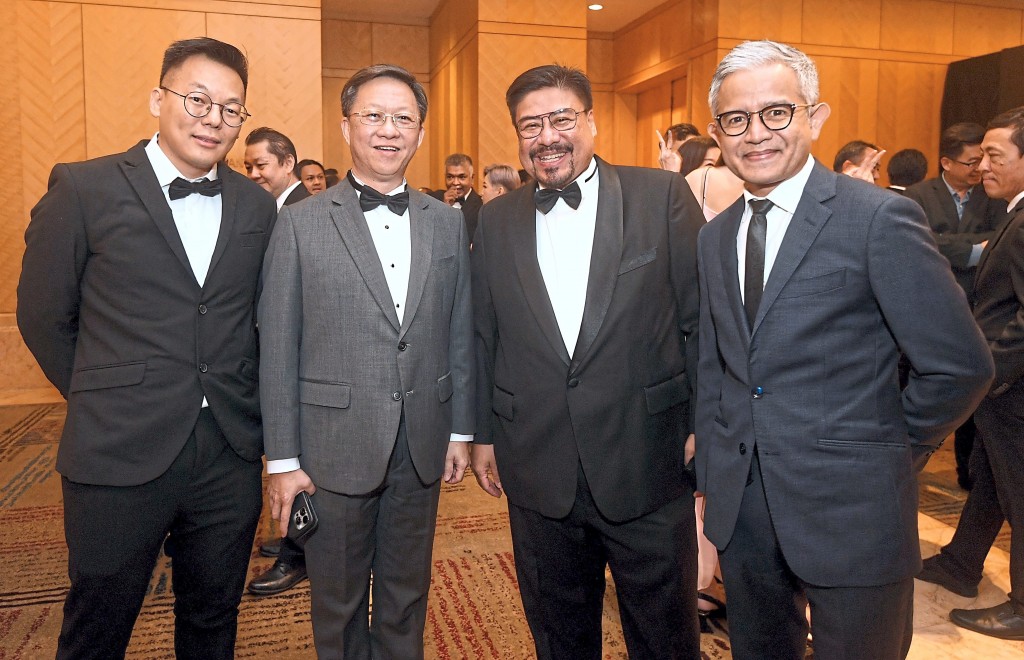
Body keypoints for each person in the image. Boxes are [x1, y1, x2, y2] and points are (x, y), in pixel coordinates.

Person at [695, 40, 993, 659]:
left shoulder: (878, 219)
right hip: (745, 515)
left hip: (855, 512)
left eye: (777, 112)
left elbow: (960, 366)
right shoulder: (715, 237)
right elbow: (720, 365)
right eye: (736, 119)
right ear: (717, 131)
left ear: (816, 116)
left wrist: (886, 450)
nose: (756, 134)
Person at [16, 37, 276, 659]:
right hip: (116, 453)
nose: (213, 118)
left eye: (230, 108)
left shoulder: (256, 207)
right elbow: (44, 317)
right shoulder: (84, 189)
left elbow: (258, 320)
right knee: (98, 623)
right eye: (197, 98)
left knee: (213, 620)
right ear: (157, 98)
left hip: (229, 454)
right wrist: (105, 393)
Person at [471, 64, 704, 659]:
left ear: (591, 122)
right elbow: (483, 334)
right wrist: (482, 435)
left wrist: (709, 421)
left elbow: (699, 320)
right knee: (558, 634)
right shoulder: (495, 219)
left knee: (664, 635)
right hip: (538, 462)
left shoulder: (661, 196)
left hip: (648, 457)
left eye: (561, 119)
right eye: (531, 125)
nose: (547, 136)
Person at [258, 63, 474, 659]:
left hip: (422, 441)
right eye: (373, 116)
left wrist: (459, 429)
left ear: (421, 132)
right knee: (339, 598)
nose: (389, 130)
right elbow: (277, 347)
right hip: (331, 446)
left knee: (408, 593)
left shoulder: (447, 222)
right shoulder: (301, 223)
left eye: (404, 118)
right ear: (346, 125)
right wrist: (283, 460)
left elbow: (459, 331)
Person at [922, 107, 1024, 641]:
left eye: (995, 156)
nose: (982, 165)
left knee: (1018, 489)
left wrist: (993, 374)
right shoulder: (1013, 210)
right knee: (991, 479)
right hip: (1003, 386)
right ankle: (962, 564)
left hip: (1013, 387)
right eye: (981, 155)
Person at [905, 122, 1006, 490]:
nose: (979, 169)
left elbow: (1000, 238)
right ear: (946, 162)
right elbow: (919, 241)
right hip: (927, 311)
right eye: (970, 163)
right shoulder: (917, 195)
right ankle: (912, 463)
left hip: (978, 310)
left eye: (983, 160)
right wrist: (972, 250)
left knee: (973, 397)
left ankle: (968, 474)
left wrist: (948, 244)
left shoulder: (993, 196)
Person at [244, 126, 309, 208]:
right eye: (248, 168)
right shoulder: (266, 208)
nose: (253, 175)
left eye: (261, 165)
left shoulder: (306, 209)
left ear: (288, 163)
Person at [430, 153, 483, 239]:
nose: (455, 183)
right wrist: (444, 208)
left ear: (472, 179)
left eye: (462, 177)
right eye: (450, 177)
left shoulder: (481, 206)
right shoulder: (433, 199)